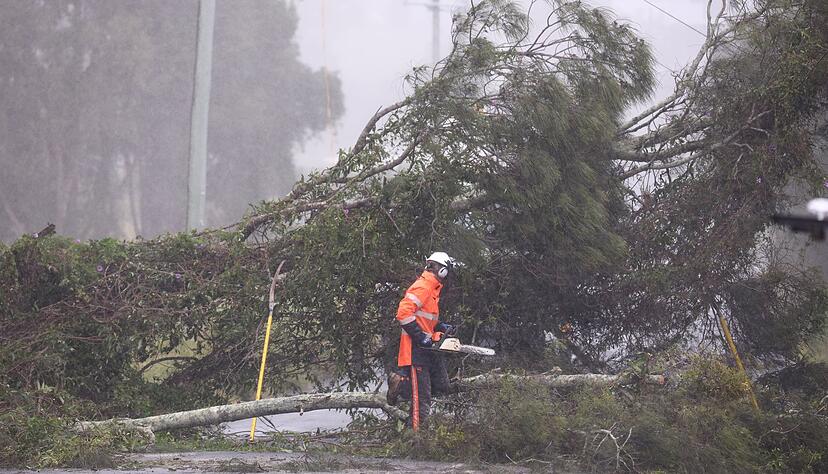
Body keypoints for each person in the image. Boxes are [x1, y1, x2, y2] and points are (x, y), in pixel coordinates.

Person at [386, 252, 458, 430]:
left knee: (442, 385)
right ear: (441, 270)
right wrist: (421, 338)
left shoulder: (433, 290)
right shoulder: (423, 287)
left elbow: (424, 319)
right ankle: (416, 440)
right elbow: (403, 313)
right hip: (415, 350)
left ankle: (405, 385)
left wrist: (440, 326)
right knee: (422, 403)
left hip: (429, 350)